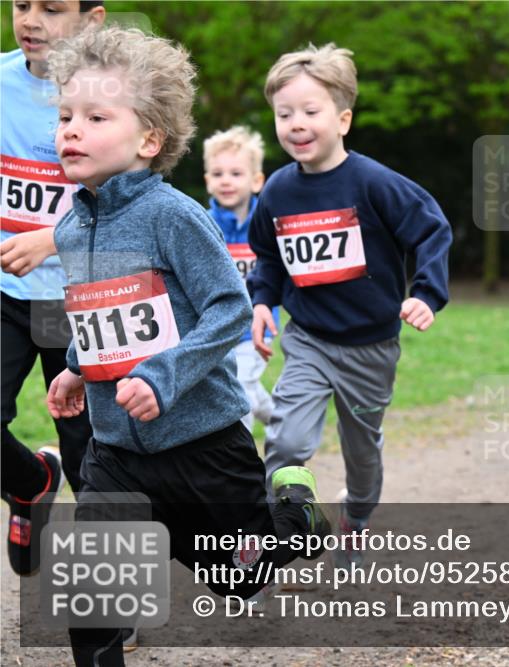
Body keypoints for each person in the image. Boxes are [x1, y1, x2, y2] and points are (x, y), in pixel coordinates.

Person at [43, 27, 329, 665]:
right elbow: (100, 316)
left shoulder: (174, 216)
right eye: (65, 116)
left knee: (242, 578)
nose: (72, 130)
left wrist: (164, 377)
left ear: (149, 139)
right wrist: (72, 369)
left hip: (202, 446)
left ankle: (295, 513)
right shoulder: (69, 228)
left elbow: (229, 308)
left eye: (94, 117)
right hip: (115, 451)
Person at [247, 43, 452, 565]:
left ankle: (356, 516)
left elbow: (432, 230)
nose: (296, 124)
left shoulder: (374, 183)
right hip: (310, 340)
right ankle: (292, 523)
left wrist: (426, 292)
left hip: (370, 348)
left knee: (362, 453)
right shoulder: (276, 191)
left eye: (310, 112)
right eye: (284, 114)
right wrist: (264, 302)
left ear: (342, 119)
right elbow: (267, 255)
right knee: (287, 439)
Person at [0, 0, 106, 575]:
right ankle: (30, 483)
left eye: (52, 7)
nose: (30, 20)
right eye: (20, 4)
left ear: (93, 18)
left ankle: (112, 601)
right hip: (6, 295)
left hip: (85, 301)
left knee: (94, 454)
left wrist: (53, 238)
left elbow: (135, 207)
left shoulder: (116, 96)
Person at [203, 126, 278, 430]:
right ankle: (282, 421)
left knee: (239, 394)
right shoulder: (202, 225)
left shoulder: (268, 224)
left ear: (256, 180)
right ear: (208, 181)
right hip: (220, 328)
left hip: (257, 329)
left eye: (236, 173)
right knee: (245, 387)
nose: (226, 181)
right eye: (218, 173)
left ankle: (241, 466)